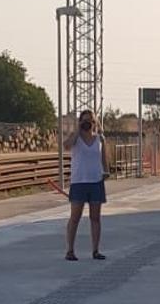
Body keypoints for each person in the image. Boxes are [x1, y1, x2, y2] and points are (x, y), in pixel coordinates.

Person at [64, 110, 110, 261]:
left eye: (89, 121)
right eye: (83, 120)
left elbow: (103, 158)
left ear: (94, 123)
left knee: (95, 217)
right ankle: (70, 250)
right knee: (75, 217)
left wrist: (106, 171)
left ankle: (96, 250)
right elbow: (66, 146)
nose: (86, 123)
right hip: (79, 182)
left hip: (96, 181)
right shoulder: (76, 139)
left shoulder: (99, 139)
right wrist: (77, 131)